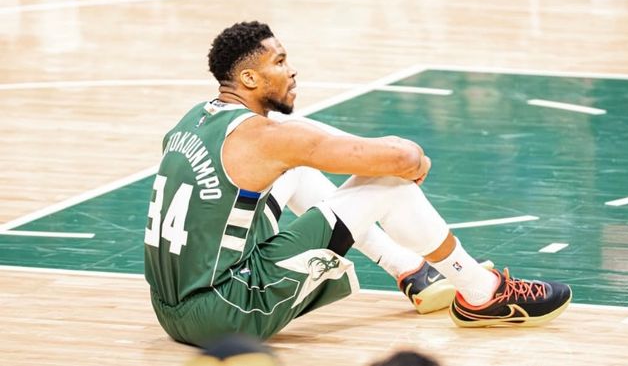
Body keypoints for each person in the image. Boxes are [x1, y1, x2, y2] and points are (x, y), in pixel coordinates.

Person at [144, 21, 572, 347]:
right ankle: (481, 293)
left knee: (298, 171)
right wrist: (413, 158)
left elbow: (306, 143)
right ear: (250, 79)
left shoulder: (193, 121)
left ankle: (410, 270)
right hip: (226, 312)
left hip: (172, 311)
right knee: (389, 183)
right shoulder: (266, 139)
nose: (292, 71)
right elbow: (402, 161)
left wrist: (383, 153)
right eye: (280, 62)